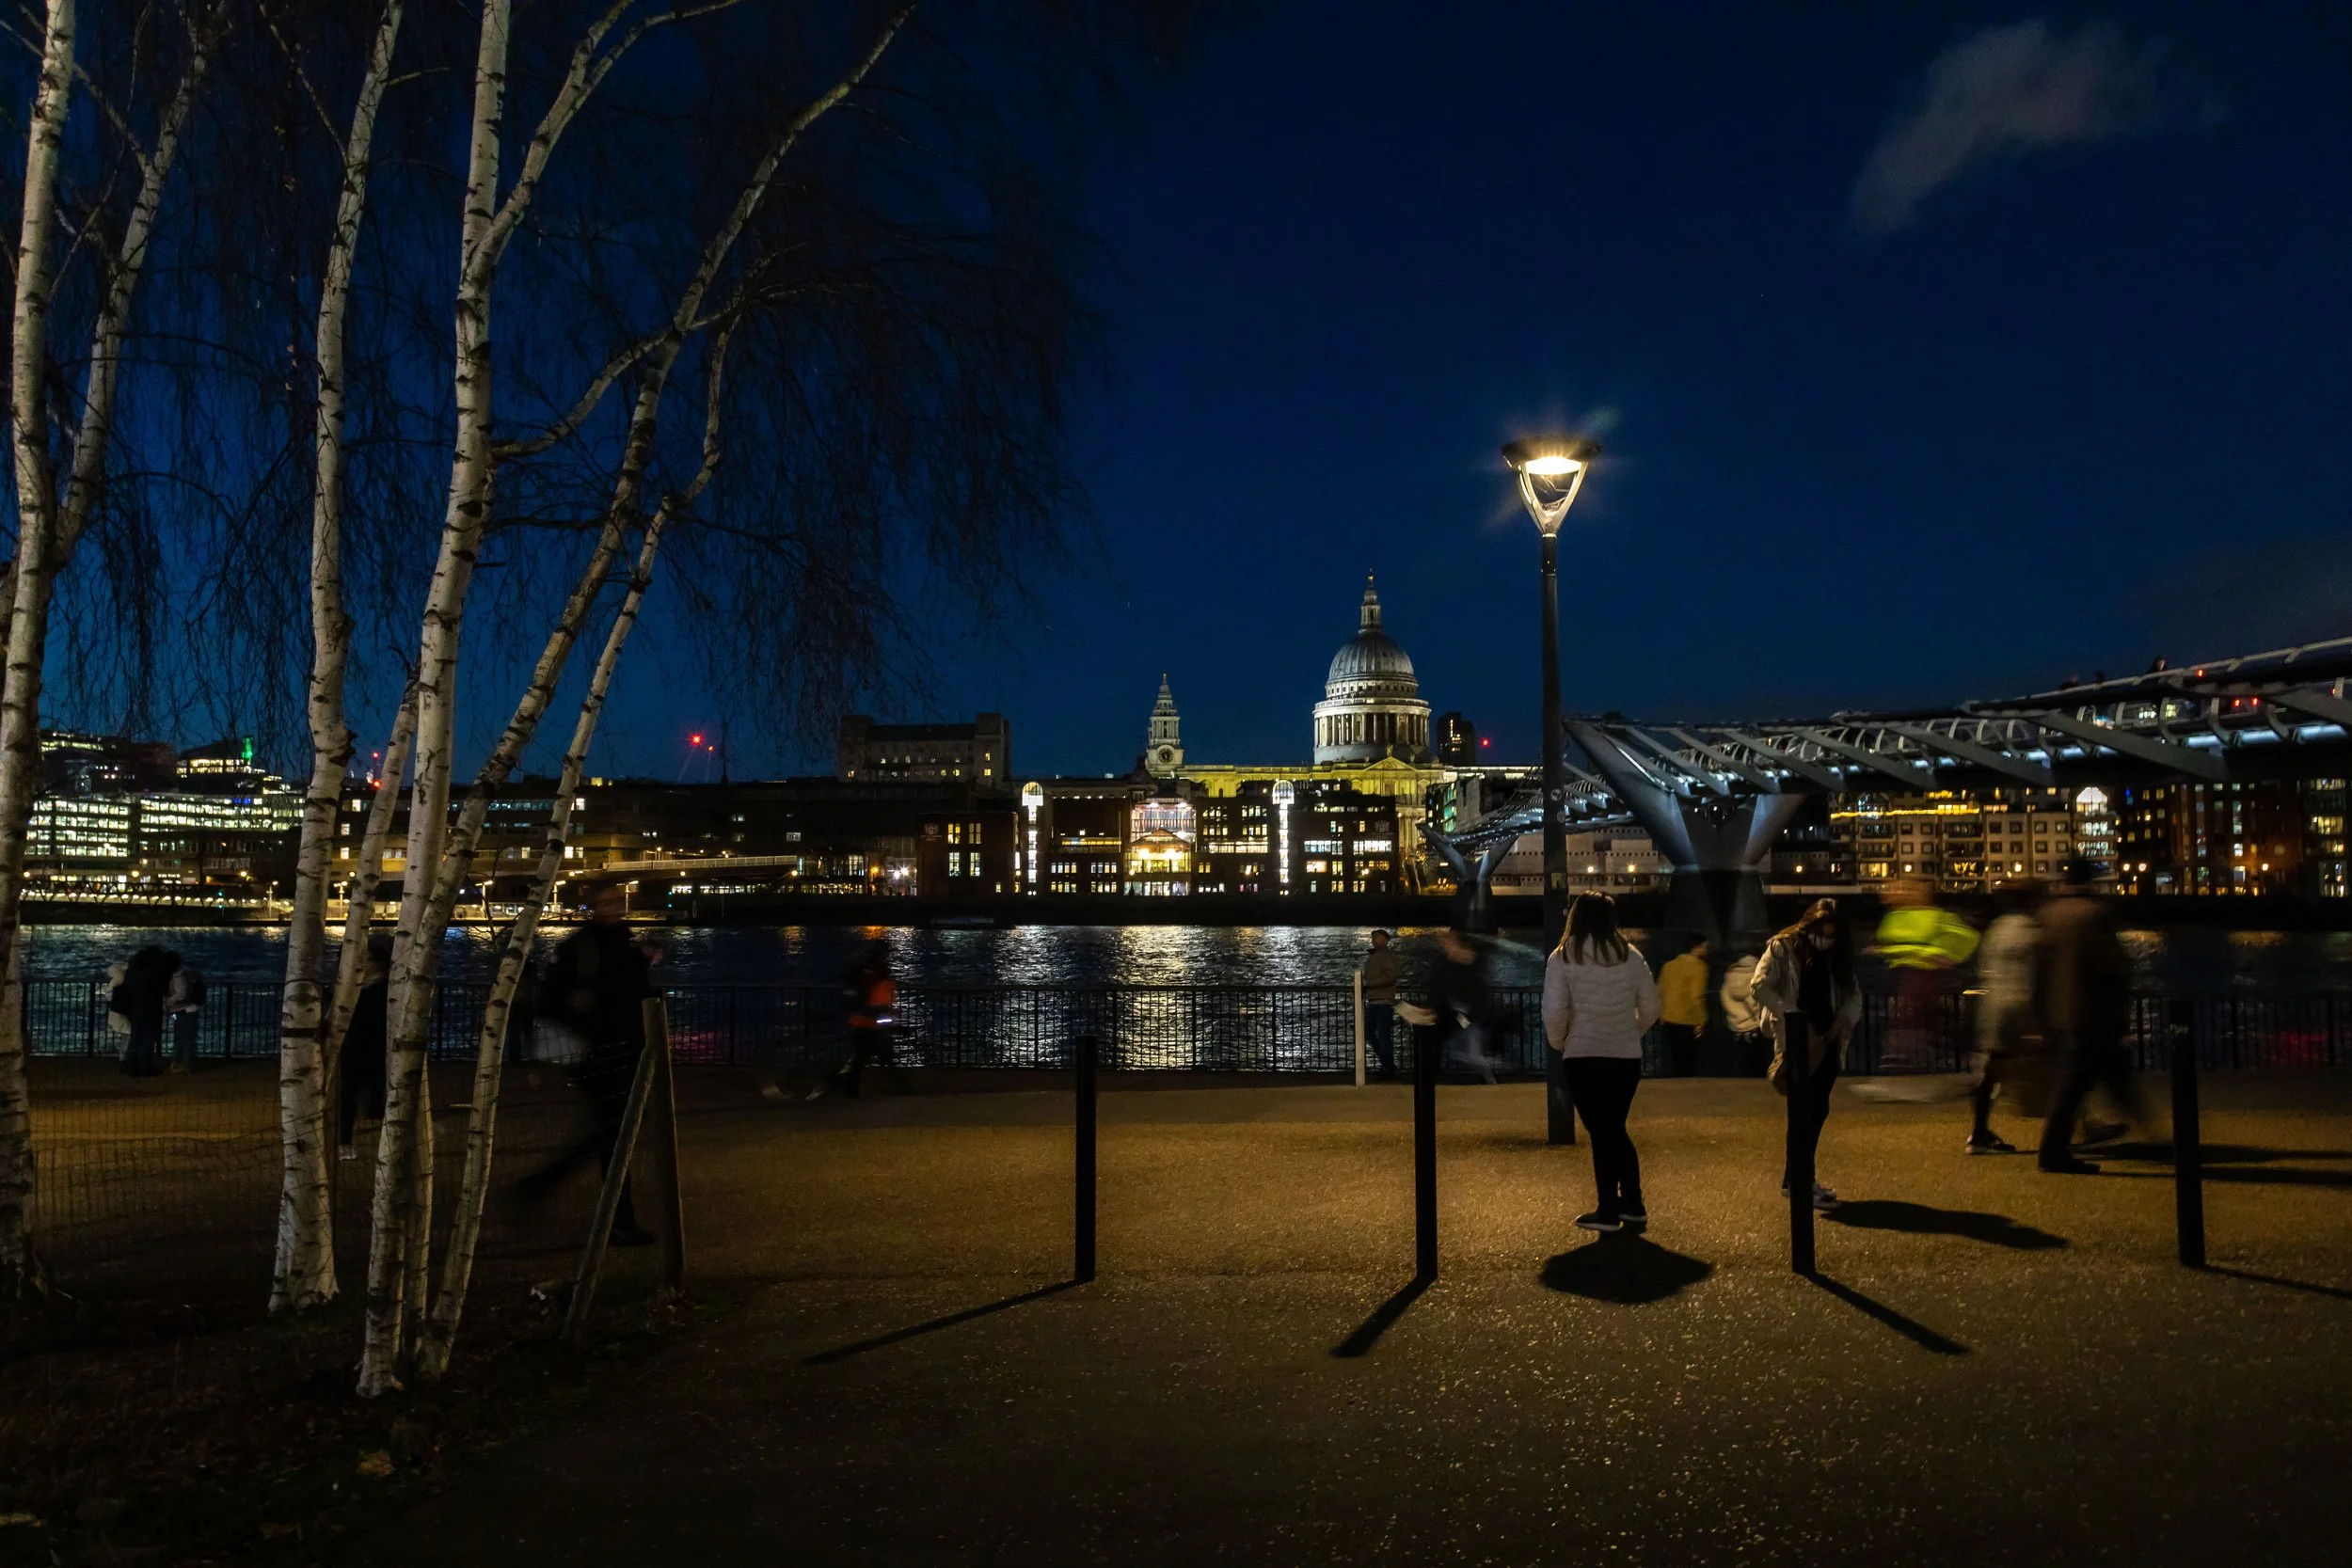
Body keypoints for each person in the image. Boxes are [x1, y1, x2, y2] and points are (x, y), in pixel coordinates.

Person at [527, 878, 658, 1244]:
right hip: (601, 1053)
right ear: (593, 907)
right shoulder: (581, 948)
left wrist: (645, 963)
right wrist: (588, 1022)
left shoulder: (624, 945)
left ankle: (548, 1187)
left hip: (625, 1049)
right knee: (615, 1133)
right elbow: (552, 1002)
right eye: (606, 901)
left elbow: (631, 991)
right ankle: (618, 1220)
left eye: (617, 900)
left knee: (612, 1132)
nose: (614, 906)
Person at [1543, 894, 1661, 1233]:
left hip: (1583, 1055)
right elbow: (1651, 1008)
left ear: (1575, 918)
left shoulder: (1563, 956)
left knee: (1603, 1132)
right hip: (1625, 1056)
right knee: (1613, 1129)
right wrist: (1630, 1031)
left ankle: (1610, 1210)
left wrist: (1560, 1042)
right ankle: (1632, 1204)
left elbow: (1554, 1010)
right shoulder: (1631, 955)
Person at [1752, 898, 1860, 1212]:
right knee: (1803, 1113)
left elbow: (1853, 994)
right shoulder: (1783, 948)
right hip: (1796, 1039)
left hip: (1828, 1039)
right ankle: (1799, 1182)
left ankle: (1797, 1179)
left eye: (1831, 934)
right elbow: (1759, 984)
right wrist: (1790, 1014)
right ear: (1809, 925)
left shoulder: (1838, 955)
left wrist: (1845, 1021)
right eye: (1821, 932)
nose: (1825, 939)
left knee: (1817, 1110)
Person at [2035, 858, 2137, 1175]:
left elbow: (2039, 969)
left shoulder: (2049, 914)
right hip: (2092, 1012)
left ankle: (2063, 1146)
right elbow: (2113, 968)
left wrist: (2039, 1013)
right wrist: (2121, 1013)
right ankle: (2053, 1152)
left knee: (2074, 1082)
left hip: (2059, 1012)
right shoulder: (2097, 914)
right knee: (2076, 1084)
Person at [1861, 877, 1979, 1098]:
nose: (1892, 891)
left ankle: (1900, 1077)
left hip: (1920, 976)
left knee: (1910, 1022)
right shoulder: (1897, 916)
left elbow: (1966, 938)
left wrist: (1941, 955)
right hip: (1904, 976)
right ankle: (1964, 1065)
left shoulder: (1929, 916)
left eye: (1902, 887)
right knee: (1916, 1024)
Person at [1965, 880, 2042, 1154]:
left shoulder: (1997, 929)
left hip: (1993, 1008)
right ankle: (2077, 1128)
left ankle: (1979, 1131)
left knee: (1990, 1074)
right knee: (2067, 1067)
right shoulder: (2031, 931)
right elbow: (2032, 976)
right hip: (2018, 1010)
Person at [818, 938, 897, 1100]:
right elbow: (878, 997)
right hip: (870, 1020)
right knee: (873, 1056)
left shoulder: (862, 967)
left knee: (862, 1057)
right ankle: (896, 1088)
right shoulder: (878, 970)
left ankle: (850, 1090)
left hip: (861, 1018)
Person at [338, 940, 392, 1158]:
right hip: (359, 1048)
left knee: (368, 1094)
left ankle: (354, 1139)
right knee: (350, 1096)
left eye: (369, 960)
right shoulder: (375, 989)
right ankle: (345, 1141)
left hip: (370, 1048)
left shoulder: (370, 990)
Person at [1437, 928, 1497, 1085]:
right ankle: (1491, 1073)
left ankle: (1493, 1075)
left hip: (1471, 1015)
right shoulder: (1462, 965)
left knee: (1468, 1053)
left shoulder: (1467, 964)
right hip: (1466, 1014)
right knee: (1465, 1051)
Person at [115, 945, 179, 1077]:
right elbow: (162, 989)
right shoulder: (154, 972)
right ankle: (144, 1066)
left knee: (137, 1037)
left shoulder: (132, 971)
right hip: (149, 1009)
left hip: (133, 1009)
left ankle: (133, 1065)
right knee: (148, 1038)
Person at [1656, 939, 1710, 1077]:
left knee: (1675, 1057)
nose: (1706, 950)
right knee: (1689, 1060)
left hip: (1669, 1017)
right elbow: (1697, 995)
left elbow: (1660, 990)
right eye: (1704, 947)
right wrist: (1702, 1019)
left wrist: (1661, 1013)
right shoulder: (1699, 967)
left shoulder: (1668, 966)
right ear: (1696, 948)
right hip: (1689, 1018)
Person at [1359, 928, 1400, 1079]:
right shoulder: (1379, 957)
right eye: (1374, 938)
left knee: (1379, 1035)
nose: (1375, 940)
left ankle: (1387, 1065)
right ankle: (1386, 1063)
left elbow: (1390, 977)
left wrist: (1367, 984)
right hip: (1377, 1001)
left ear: (1385, 940)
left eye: (1378, 938)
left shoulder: (1382, 957)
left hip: (1381, 1001)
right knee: (1376, 1034)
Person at [1720, 949, 1768, 1076]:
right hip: (1754, 1027)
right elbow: (1755, 1004)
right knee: (1757, 1065)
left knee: (1740, 1064)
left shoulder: (1729, 976)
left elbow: (1724, 1000)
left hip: (1736, 1027)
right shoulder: (1756, 976)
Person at [165, 958, 204, 1072]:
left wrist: (168, 1001)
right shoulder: (186, 975)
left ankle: (180, 1063)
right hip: (189, 1010)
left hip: (182, 1011)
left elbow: (180, 996)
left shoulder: (178, 978)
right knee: (187, 1037)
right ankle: (185, 1063)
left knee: (182, 1037)